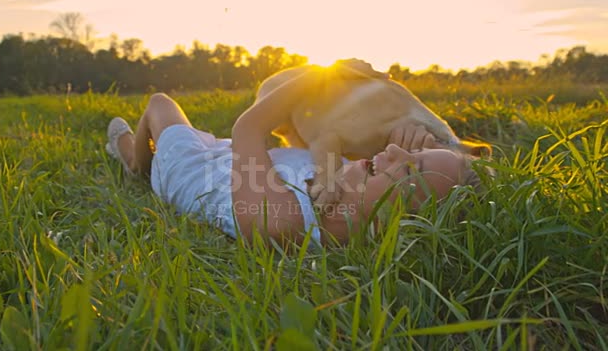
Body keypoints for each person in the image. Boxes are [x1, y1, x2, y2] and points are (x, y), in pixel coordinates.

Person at [105, 61, 483, 246]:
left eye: (407, 169)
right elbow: (434, 170)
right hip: (253, 160)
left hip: (192, 169)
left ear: (398, 226)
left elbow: (248, 129)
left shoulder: (281, 222)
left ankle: (136, 164)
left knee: (159, 105)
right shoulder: (353, 190)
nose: (397, 150)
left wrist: (325, 73)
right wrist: (424, 143)